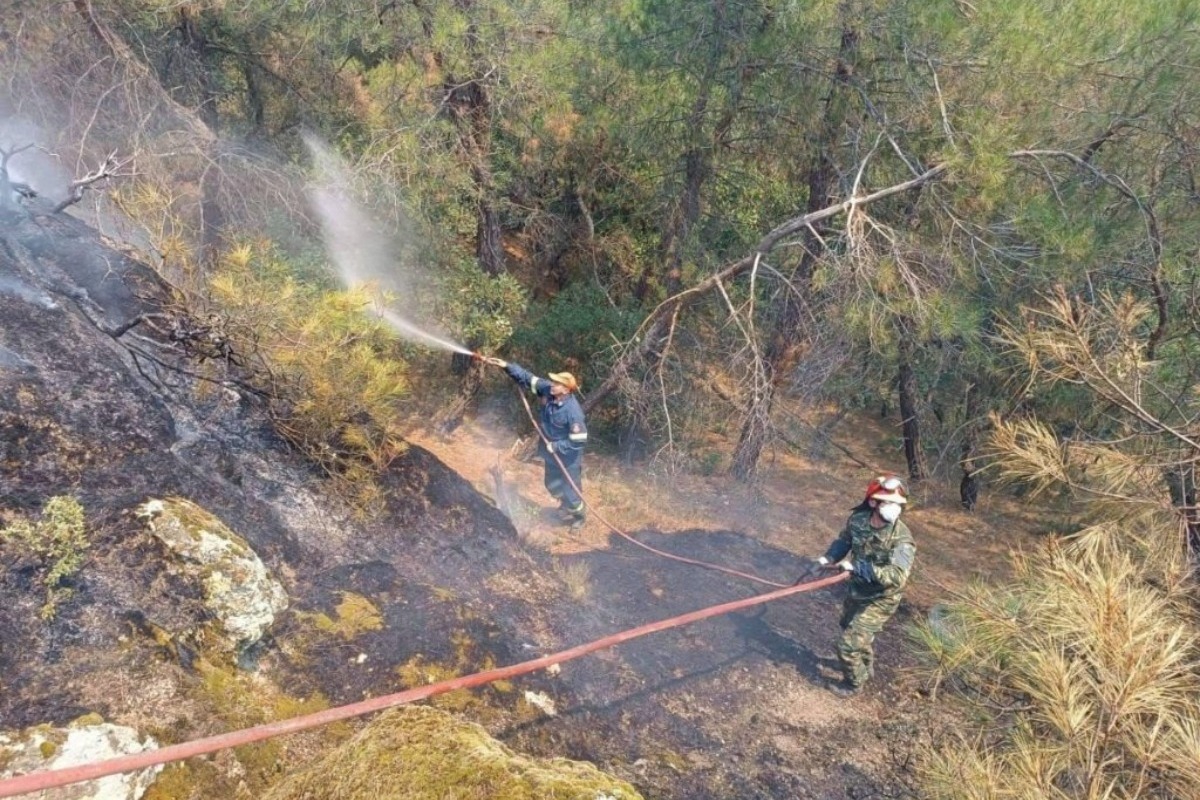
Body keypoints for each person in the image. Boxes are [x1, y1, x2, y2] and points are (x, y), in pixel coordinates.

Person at [815, 473, 916, 695]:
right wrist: (829, 558)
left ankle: (854, 683)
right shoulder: (858, 520)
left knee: (848, 644)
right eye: (889, 502)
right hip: (857, 590)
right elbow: (844, 541)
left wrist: (859, 568)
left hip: (881, 598)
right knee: (849, 626)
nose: (895, 508)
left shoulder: (902, 539)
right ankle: (866, 665)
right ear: (873, 502)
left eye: (898, 504)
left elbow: (898, 576)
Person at [483, 356, 588, 528]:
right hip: (550, 453)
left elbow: (578, 441)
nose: (552, 384)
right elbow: (527, 377)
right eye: (553, 382)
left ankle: (579, 516)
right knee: (551, 485)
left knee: (571, 492)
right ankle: (566, 505)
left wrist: (556, 446)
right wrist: (506, 365)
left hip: (568, 458)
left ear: (566, 390)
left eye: (557, 383)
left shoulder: (573, 412)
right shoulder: (548, 390)